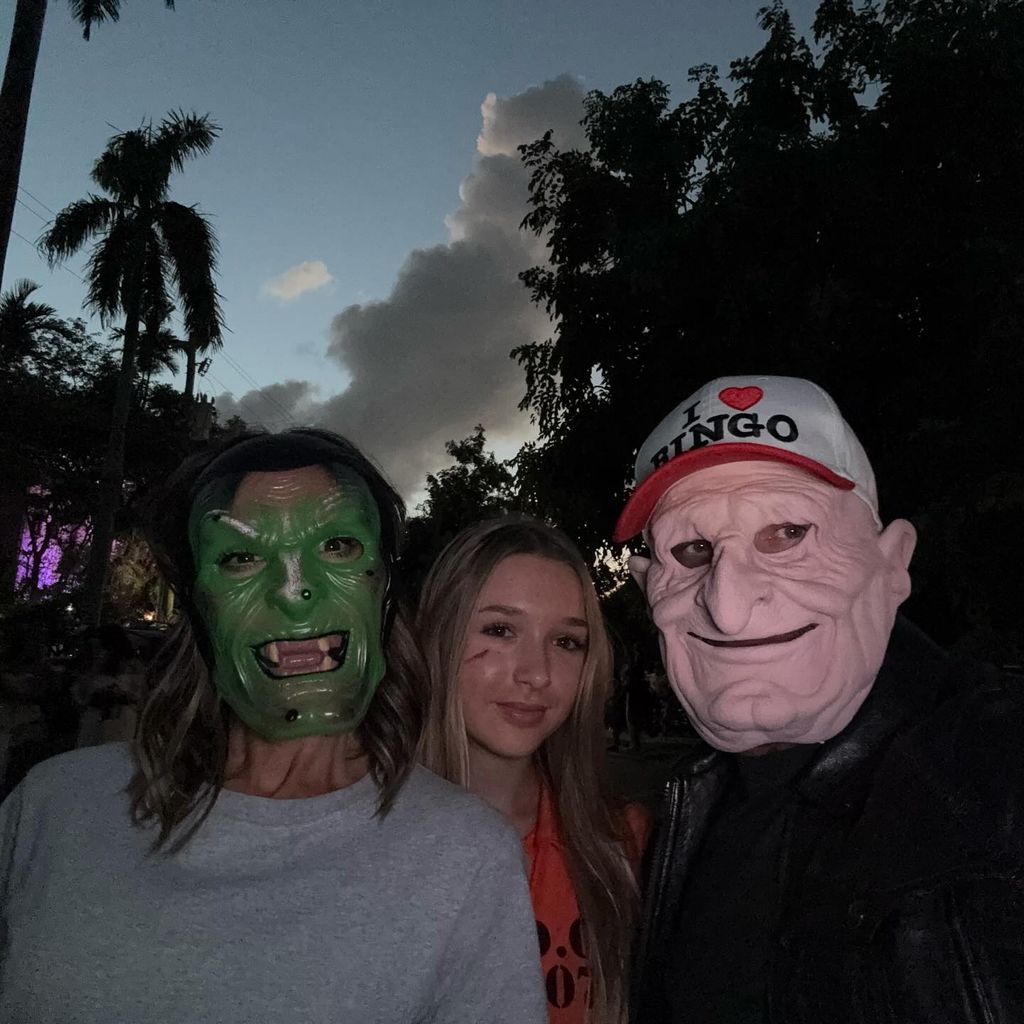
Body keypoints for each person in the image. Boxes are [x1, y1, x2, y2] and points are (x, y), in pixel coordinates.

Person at [0, 429, 546, 1024]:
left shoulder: (465, 857)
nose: (293, 593)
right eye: (239, 558)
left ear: (385, 590)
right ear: (197, 604)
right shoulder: (53, 808)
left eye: (338, 547)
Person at [613, 376, 1024, 1024]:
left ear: (892, 565)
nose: (726, 604)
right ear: (648, 592)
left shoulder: (996, 782)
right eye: (691, 550)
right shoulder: (690, 804)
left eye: (786, 532)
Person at [418, 516, 648, 1024]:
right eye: (500, 630)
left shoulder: (622, 846)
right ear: (439, 636)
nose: (537, 674)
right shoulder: (364, 844)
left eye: (567, 642)